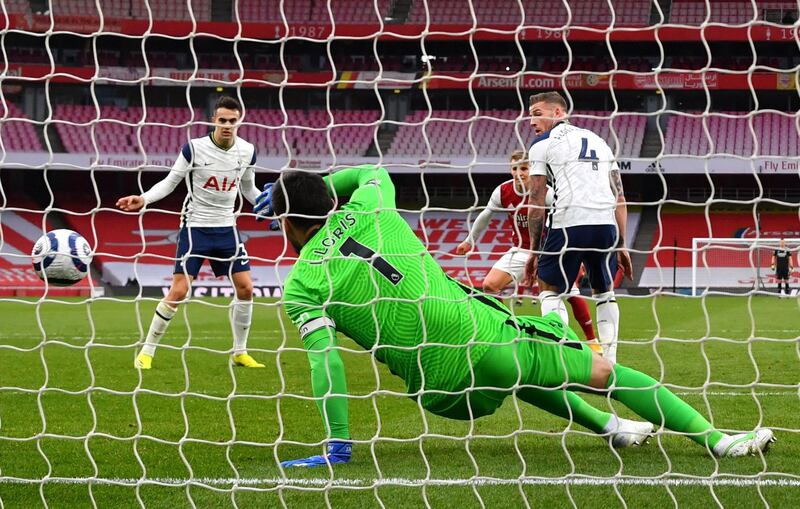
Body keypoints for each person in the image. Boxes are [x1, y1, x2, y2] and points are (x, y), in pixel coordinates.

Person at [255, 164, 773, 468]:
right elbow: (370, 170)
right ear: (331, 199)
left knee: (522, 373)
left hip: (440, 394)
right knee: (602, 372)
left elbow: (327, 365)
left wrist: (339, 447)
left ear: (283, 222)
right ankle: (721, 441)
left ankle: (611, 427)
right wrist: (323, 182)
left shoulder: (301, 285)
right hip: (487, 343)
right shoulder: (371, 206)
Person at [116, 96, 264, 370]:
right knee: (180, 290)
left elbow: (249, 189)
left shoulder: (247, 151)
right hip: (195, 228)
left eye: (233, 121)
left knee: (246, 288)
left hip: (227, 228)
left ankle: (240, 352)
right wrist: (144, 199)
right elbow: (170, 182)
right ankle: (146, 352)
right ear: (213, 121)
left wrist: (270, 205)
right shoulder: (194, 149)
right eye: (222, 120)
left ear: (239, 121)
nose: (228, 126)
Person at [524, 91, 632, 364]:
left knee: (549, 290)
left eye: (537, 113)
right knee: (604, 292)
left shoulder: (541, 144)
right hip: (605, 224)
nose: (531, 121)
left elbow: (536, 200)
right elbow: (619, 196)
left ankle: (565, 356)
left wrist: (533, 251)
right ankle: (611, 361)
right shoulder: (600, 141)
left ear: (559, 113)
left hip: (568, 223)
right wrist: (622, 243)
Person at [455, 150, 598, 347]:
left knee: (569, 294)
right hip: (520, 250)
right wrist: (469, 241)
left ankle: (592, 340)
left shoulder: (545, 192)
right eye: (514, 168)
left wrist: (574, 253)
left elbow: (568, 218)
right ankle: (508, 331)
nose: (518, 173)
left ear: (532, 169)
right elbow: (486, 214)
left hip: (549, 251)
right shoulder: (503, 191)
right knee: (490, 286)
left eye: (523, 168)